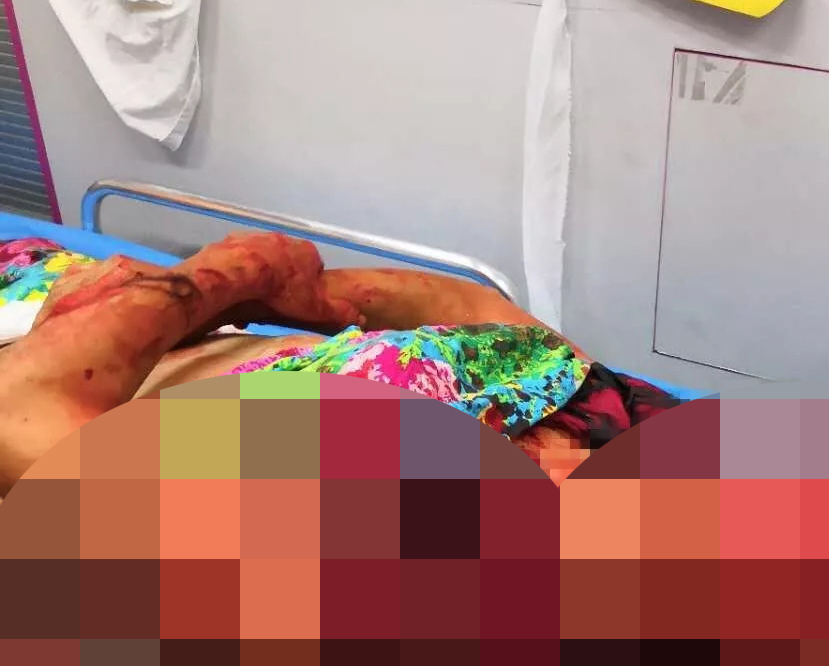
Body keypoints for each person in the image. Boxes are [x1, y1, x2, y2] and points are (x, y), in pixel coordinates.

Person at [0, 230, 680, 498]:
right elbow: (483, 314)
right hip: (106, 308)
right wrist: (308, 297)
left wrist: (226, 278)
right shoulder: (627, 425)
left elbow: (23, 415)